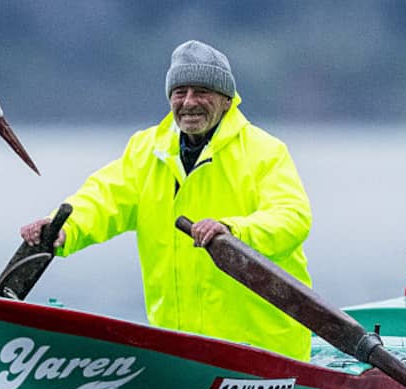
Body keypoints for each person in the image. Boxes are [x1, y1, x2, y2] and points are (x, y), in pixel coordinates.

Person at [20, 40, 314, 361]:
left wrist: (234, 231)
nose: (189, 102)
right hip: (180, 353)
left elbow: (292, 218)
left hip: (267, 354)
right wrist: (64, 230)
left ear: (227, 100)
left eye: (201, 91)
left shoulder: (265, 152)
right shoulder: (145, 150)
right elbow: (102, 199)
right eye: (180, 92)